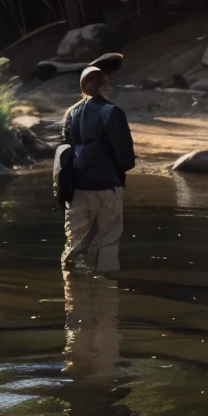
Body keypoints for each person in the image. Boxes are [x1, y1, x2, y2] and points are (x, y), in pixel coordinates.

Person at [59, 64, 136, 276]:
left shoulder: (70, 114)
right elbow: (126, 158)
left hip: (76, 190)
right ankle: (107, 299)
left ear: (83, 88)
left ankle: (74, 298)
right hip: (107, 187)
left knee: (75, 246)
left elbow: (66, 152)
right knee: (108, 244)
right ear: (105, 85)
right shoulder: (113, 112)